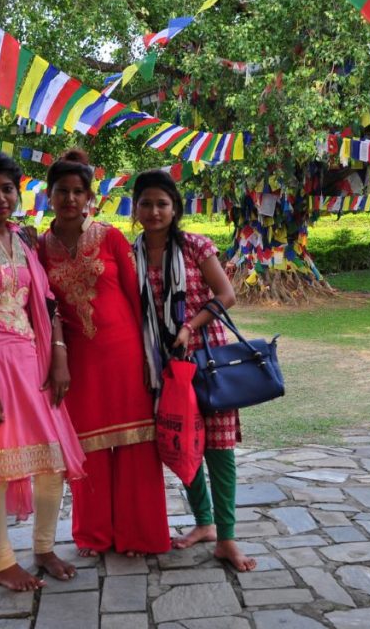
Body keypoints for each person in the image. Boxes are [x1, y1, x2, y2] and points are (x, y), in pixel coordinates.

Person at [0, 150, 86, 592]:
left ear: (18, 192)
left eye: (7, 189)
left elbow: (43, 304)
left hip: (31, 363)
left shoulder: (23, 243)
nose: (0, 198)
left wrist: (57, 357)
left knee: (50, 462)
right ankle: (2, 561)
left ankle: (44, 547)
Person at [37, 149, 170, 558]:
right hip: (78, 364)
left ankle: (139, 535)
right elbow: (45, 307)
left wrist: (151, 358)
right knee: (88, 452)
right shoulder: (40, 248)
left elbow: (137, 298)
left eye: (79, 191)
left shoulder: (110, 237)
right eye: (63, 191)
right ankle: (94, 536)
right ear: (49, 195)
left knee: (136, 449)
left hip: (127, 355)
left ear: (90, 197)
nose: (71, 199)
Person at [131, 169, 257, 572]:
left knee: (219, 450)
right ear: (135, 208)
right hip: (164, 364)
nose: (154, 211)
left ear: (175, 208)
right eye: (146, 203)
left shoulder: (195, 247)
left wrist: (189, 326)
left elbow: (227, 295)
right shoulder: (129, 253)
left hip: (207, 360)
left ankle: (227, 537)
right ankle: (203, 523)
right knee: (181, 442)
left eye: (162, 203)